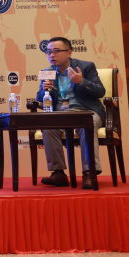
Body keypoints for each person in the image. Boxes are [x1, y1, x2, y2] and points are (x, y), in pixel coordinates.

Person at [37, 36, 106, 189]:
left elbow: (100, 91)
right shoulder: (47, 72)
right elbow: (40, 99)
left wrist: (81, 81)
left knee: (86, 125)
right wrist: (45, 91)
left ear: (69, 52)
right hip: (60, 114)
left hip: (86, 111)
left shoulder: (86, 67)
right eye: (48, 52)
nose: (51, 55)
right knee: (48, 126)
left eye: (56, 51)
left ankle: (89, 172)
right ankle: (58, 173)